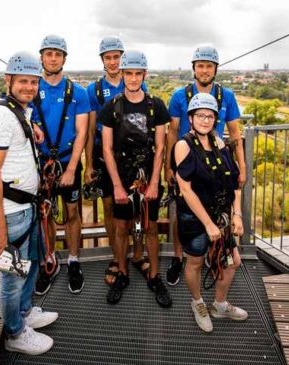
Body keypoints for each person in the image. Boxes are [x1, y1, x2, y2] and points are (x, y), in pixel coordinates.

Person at [0, 51, 58, 355]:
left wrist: (31, 129)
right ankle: (14, 333)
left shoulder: (19, 112)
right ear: (8, 80)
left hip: (24, 208)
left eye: (34, 82)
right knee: (12, 277)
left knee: (30, 265)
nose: (29, 87)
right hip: (7, 214)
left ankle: (24, 314)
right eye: (23, 81)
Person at [165, 45, 246, 286]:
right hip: (187, 159)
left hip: (216, 163)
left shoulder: (226, 96)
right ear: (194, 69)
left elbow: (234, 134)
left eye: (209, 66)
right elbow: (171, 133)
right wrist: (169, 168)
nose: (204, 70)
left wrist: (241, 167)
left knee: (216, 210)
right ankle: (179, 257)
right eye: (200, 65)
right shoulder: (180, 96)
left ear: (215, 69)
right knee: (184, 212)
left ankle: (213, 256)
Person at [100, 50, 172, 307]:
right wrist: (117, 186)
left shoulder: (156, 105)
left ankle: (154, 276)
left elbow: (161, 148)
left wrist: (154, 183)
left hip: (147, 174)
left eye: (137, 73)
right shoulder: (112, 106)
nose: (132, 78)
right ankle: (122, 273)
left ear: (144, 74)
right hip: (122, 175)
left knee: (151, 227)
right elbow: (106, 149)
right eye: (128, 73)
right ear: (122, 74)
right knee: (121, 228)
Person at [172, 92, 248, 332]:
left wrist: (236, 215)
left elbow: (234, 182)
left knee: (233, 261)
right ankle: (198, 303)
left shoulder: (220, 143)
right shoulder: (183, 146)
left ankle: (220, 304)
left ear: (215, 120)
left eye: (210, 116)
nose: (205, 120)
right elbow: (186, 189)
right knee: (195, 261)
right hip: (195, 217)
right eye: (200, 115)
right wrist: (207, 224)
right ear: (191, 118)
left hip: (220, 215)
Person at [85, 36, 149, 285]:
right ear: (102, 60)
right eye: (108, 57)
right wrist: (89, 164)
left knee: (138, 207)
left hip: (133, 158)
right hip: (105, 155)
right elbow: (91, 129)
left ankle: (138, 253)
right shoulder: (95, 91)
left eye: (116, 57)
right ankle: (116, 255)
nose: (113, 62)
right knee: (111, 208)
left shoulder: (137, 86)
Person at [32, 35, 90, 295]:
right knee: (46, 215)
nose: (53, 58)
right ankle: (50, 259)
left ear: (64, 58)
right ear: (42, 57)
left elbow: (82, 132)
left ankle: (74, 260)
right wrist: (33, 125)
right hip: (41, 164)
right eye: (48, 53)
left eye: (57, 54)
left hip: (68, 162)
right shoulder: (31, 89)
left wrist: (70, 169)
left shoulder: (77, 92)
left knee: (72, 212)